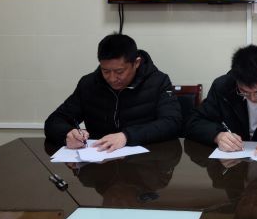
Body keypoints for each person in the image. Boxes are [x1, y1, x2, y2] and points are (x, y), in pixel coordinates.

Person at [44, 33, 181, 151]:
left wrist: (126, 136)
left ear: (136, 63)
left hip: (145, 162)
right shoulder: (89, 84)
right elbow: (54, 120)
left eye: (119, 71)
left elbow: (172, 123)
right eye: (105, 71)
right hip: (99, 159)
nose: (112, 78)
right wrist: (67, 134)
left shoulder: (158, 82)